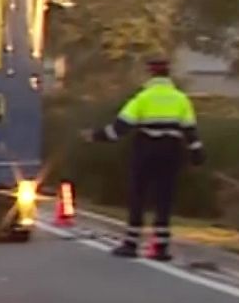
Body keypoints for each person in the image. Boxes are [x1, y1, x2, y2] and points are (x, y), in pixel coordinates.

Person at [79, 55, 205, 261]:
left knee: (138, 196)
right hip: (171, 154)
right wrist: (197, 154)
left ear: (150, 74)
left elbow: (118, 130)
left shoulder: (142, 99)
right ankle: (161, 248)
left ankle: (131, 244)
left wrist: (94, 136)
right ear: (168, 74)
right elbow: (191, 132)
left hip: (145, 152)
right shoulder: (181, 99)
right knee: (164, 199)